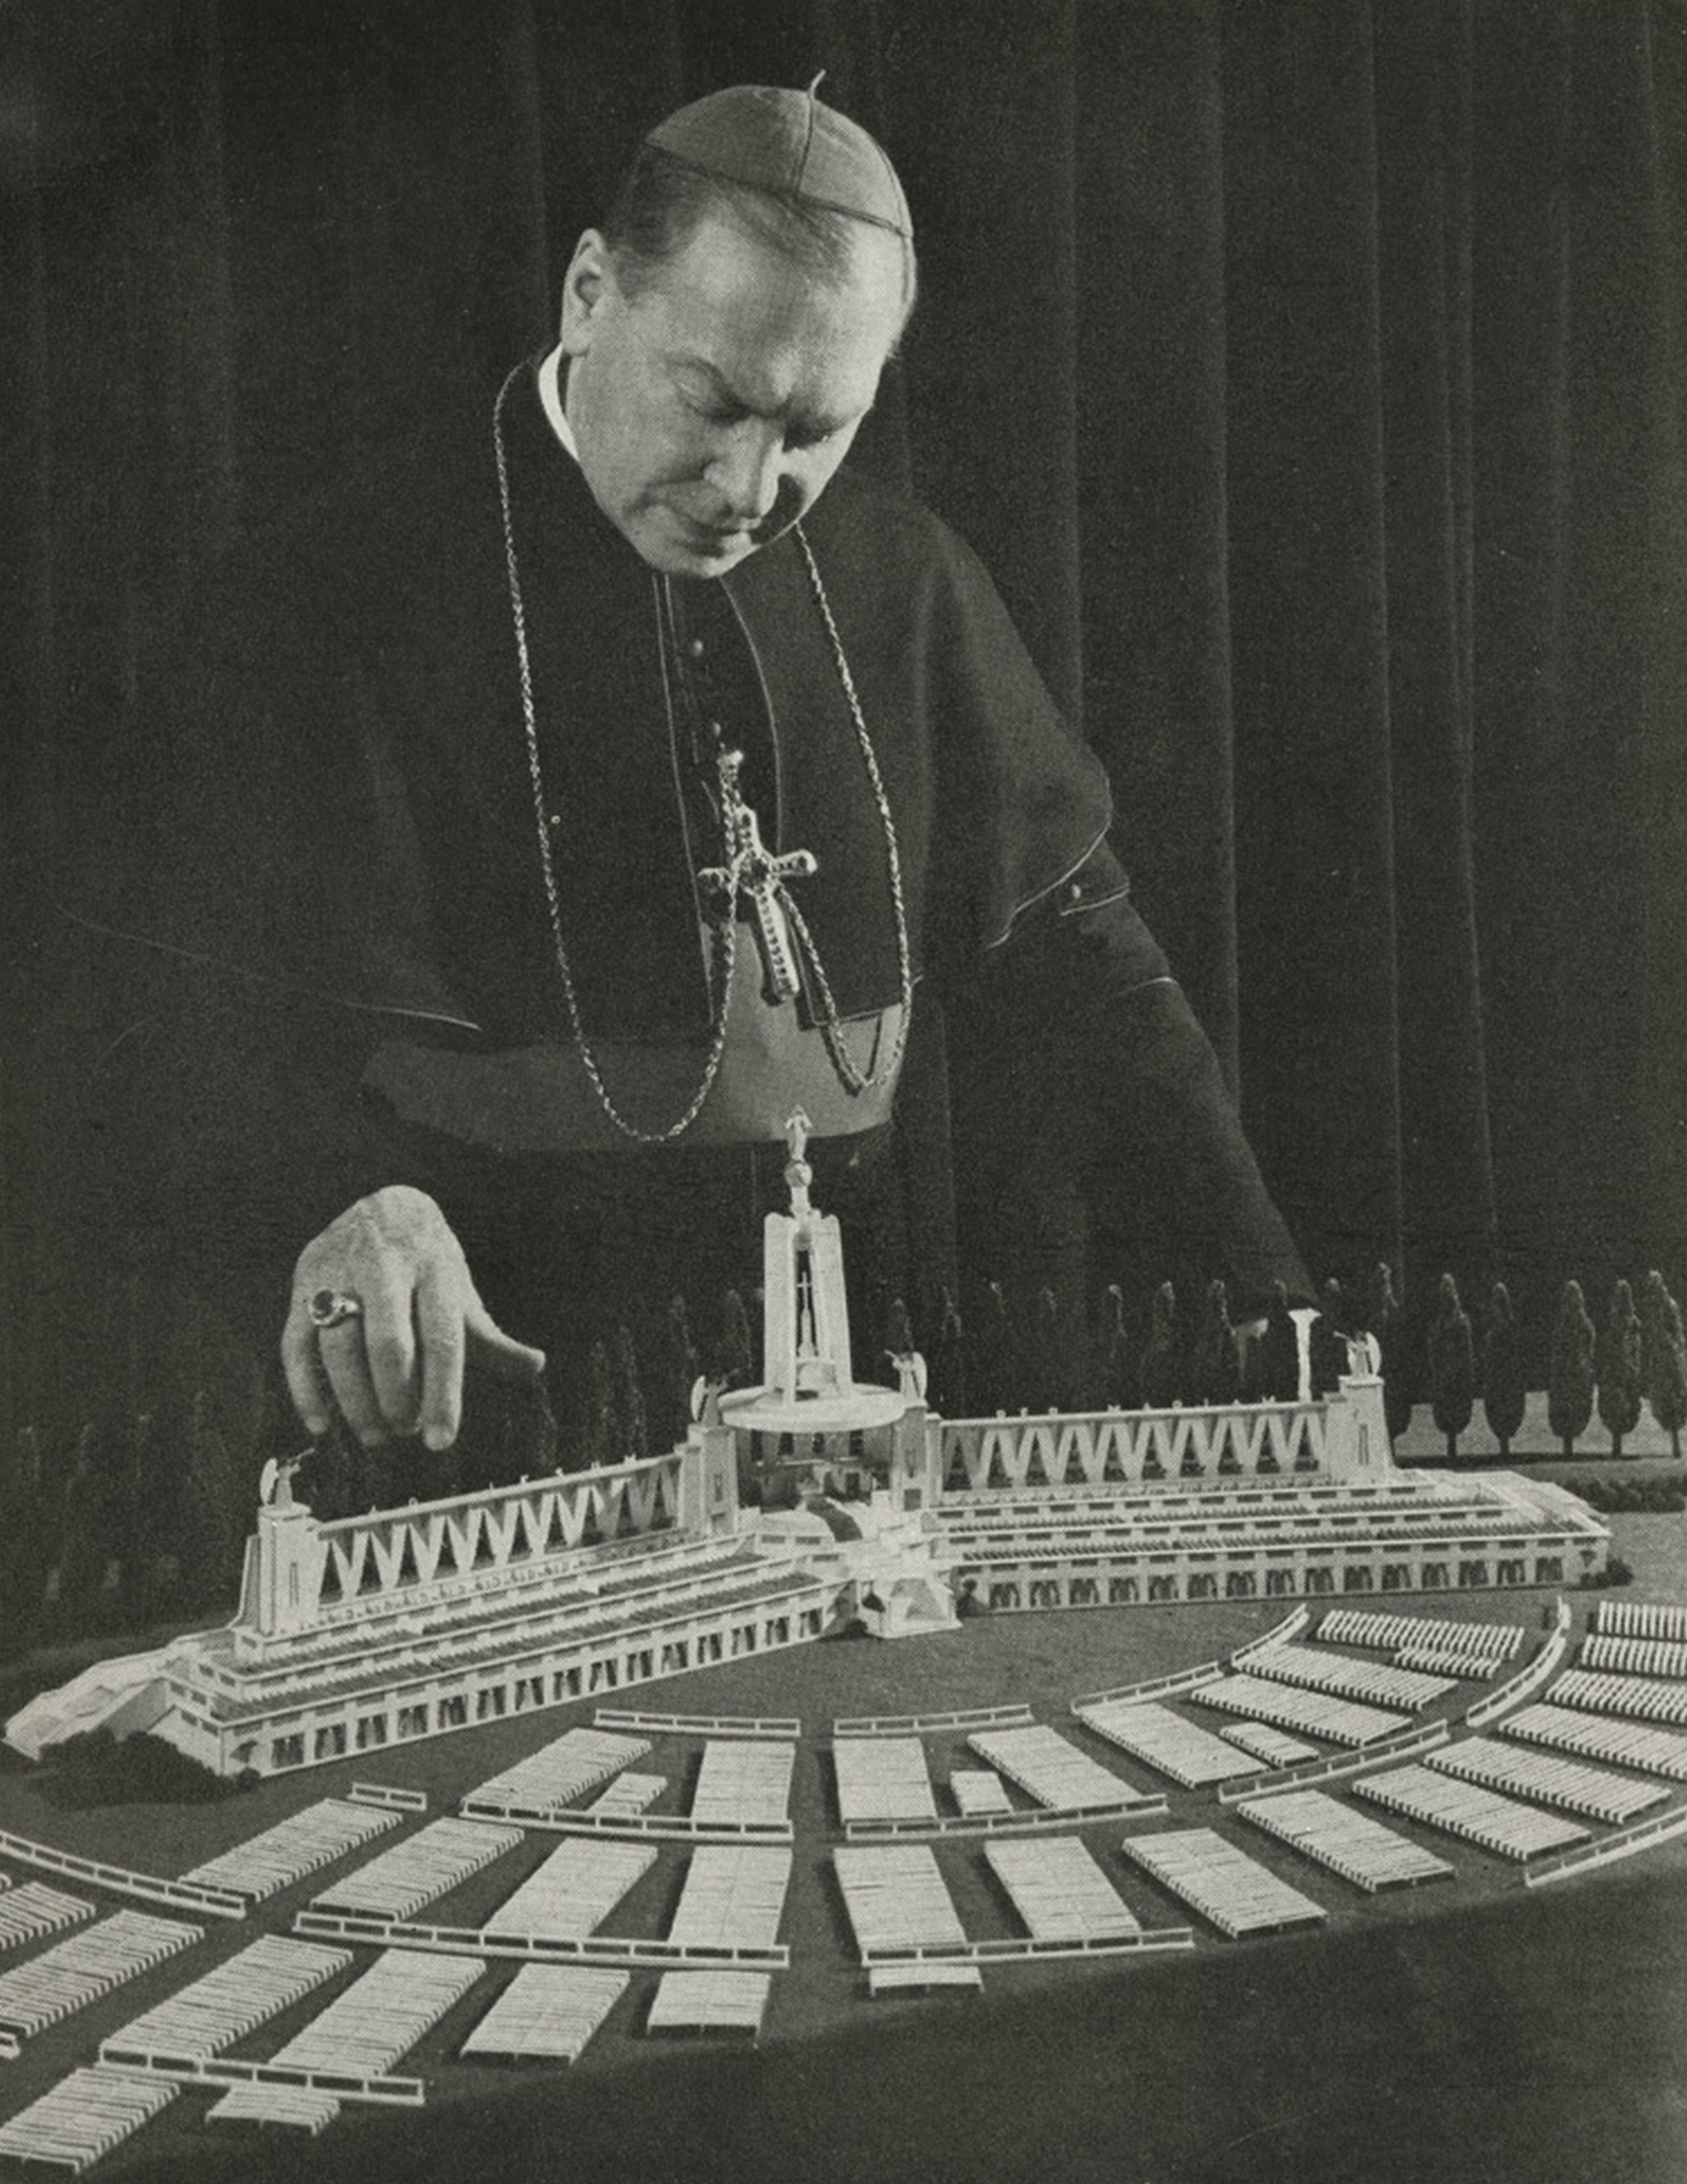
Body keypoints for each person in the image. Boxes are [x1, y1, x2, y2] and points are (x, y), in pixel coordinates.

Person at [59, 82, 1309, 1464]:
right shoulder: (323, 597)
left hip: (848, 1393)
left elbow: (1090, 974)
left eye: (816, 428)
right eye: (712, 401)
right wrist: (346, 1201)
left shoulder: (907, 582)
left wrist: (1277, 1311)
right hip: (474, 1412)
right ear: (591, 295)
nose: (749, 489)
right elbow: (160, 1050)